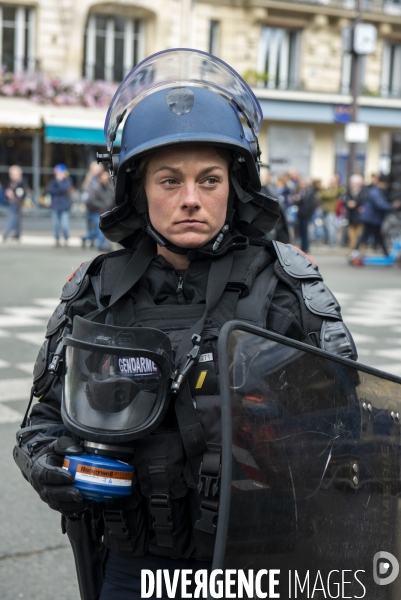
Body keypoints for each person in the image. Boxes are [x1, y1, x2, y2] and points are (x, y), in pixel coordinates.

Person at [13, 49, 357, 600]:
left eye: (210, 179)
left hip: (258, 567)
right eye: (169, 181)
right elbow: (43, 421)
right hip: (132, 566)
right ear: (137, 190)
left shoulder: (289, 286)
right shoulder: (95, 290)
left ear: (236, 185)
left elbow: (348, 430)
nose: (191, 199)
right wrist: (47, 464)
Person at [354, 173, 395, 256]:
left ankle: (355, 252)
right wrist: (392, 206)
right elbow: (380, 205)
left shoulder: (376, 191)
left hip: (372, 218)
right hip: (372, 219)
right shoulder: (375, 192)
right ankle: (355, 252)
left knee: (370, 236)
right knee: (367, 236)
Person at [81, 169, 114, 251]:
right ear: (100, 177)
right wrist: (103, 206)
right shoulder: (95, 186)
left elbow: (111, 197)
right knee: (100, 228)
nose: (107, 178)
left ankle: (85, 238)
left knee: (98, 229)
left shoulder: (106, 186)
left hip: (103, 211)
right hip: (95, 211)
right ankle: (100, 246)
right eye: (105, 176)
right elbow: (92, 200)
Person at [47, 164, 72, 247]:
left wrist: (59, 182)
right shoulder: (53, 181)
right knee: (56, 224)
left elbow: (64, 188)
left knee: (65, 225)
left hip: (64, 206)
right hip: (55, 205)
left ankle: (66, 238)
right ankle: (57, 239)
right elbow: (51, 190)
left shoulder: (67, 180)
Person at [293, 178, 320, 253]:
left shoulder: (310, 192)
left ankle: (305, 248)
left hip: (306, 215)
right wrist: (297, 200)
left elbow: (311, 204)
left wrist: (306, 211)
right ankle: (303, 247)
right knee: (301, 232)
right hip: (300, 214)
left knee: (305, 232)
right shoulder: (299, 192)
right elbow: (297, 203)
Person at [2, 165, 26, 242]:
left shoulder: (22, 182)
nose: (12, 176)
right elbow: (5, 189)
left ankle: (8, 233)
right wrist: (7, 193)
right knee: (15, 218)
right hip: (11, 202)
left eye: (13, 174)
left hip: (17, 202)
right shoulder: (9, 182)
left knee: (13, 218)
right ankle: (16, 234)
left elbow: (22, 192)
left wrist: (13, 193)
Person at [344, 173, 367, 252]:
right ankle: (351, 250)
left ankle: (359, 250)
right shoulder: (348, 191)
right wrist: (348, 203)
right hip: (351, 216)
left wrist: (356, 204)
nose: (351, 185)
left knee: (359, 234)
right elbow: (344, 200)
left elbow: (364, 202)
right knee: (351, 235)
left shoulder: (363, 191)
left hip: (360, 217)